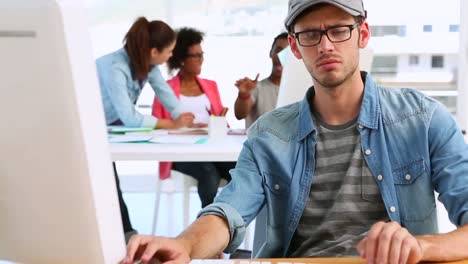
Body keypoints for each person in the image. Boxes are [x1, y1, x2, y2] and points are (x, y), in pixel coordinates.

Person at [122, 1, 468, 263]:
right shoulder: (268, 135)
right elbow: (228, 212)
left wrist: (419, 246)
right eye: (310, 34)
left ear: (362, 34)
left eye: (338, 30)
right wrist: (184, 244)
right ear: (295, 46)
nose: (326, 45)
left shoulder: (423, 119)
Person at [95, 17, 194, 241]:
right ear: (153, 51)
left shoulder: (146, 64)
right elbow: (130, 118)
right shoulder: (115, 68)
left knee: (109, 179)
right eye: (168, 51)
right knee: (107, 179)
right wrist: (171, 124)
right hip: (91, 127)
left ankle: (124, 233)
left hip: (110, 129)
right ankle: (125, 233)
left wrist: (185, 118)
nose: (171, 56)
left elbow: (164, 92)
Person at [152, 27, 235, 208]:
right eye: (195, 56)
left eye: (201, 55)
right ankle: (209, 222)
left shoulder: (211, 86)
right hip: (180, 153)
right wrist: (181, 126)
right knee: (208, 173)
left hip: (211, 149)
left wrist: (218, 122)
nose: (201, 60)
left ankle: (232, 218)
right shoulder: (165, 89)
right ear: (181, 59)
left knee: (239, 169)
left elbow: (221, 123)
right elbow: (156, 127)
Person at [234, 32, 289, 128]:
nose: (281, 57)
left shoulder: (302, 90)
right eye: (278, 50)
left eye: (287, 53)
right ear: (270, 53)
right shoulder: (257, 88)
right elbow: (240, 114)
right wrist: (244, 94)